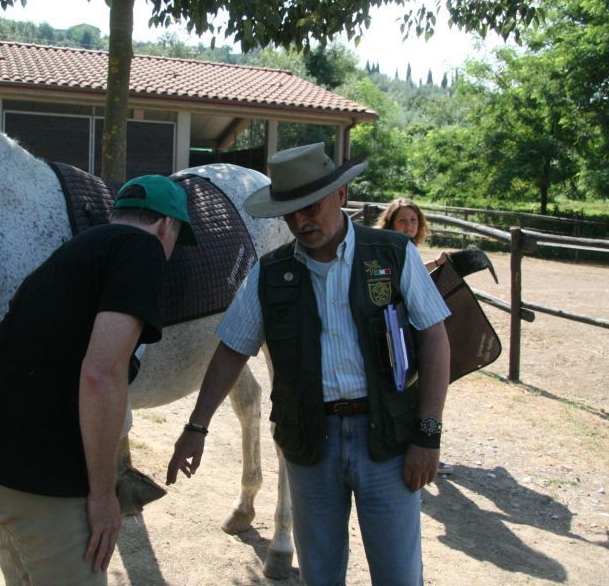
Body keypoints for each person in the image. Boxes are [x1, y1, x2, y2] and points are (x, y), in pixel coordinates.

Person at [167, 143, 450, 585]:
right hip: (309, 444)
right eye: (289, 212)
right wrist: (196, 426)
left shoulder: (392, 254)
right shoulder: (269, 272)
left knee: (398, 574)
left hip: (389, 442)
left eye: (310, 206)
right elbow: (231, 349)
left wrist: (428, 433)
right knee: (319, 574)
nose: (300, 221)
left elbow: (434, 336)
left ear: (341, 195)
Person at [0, 174, 196, 585]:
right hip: (42, 483)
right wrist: (103, 497)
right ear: (166, 226)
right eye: (175, 239)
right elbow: (101, 373)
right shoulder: (143, 249)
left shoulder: (76, 250)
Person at [377, 197, 454, 476]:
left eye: (413, 221)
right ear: (392, 223)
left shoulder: (404, 248)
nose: (409, 226)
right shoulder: (387, 249)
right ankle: (414, 443)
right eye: (403, 221)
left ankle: (424, 441)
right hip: (398, 330)